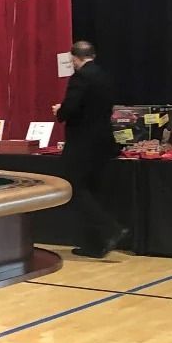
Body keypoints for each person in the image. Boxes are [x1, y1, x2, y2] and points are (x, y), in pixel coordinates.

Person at [53, 41, 127, 258]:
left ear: (74, 58)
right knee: (92, 189)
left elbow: (71, 108)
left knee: (72, 186)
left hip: (82, 142)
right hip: (103, 141)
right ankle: (95, 245)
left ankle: (111, 228)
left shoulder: (80, 77)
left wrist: (60, 110)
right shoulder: (105, 76)